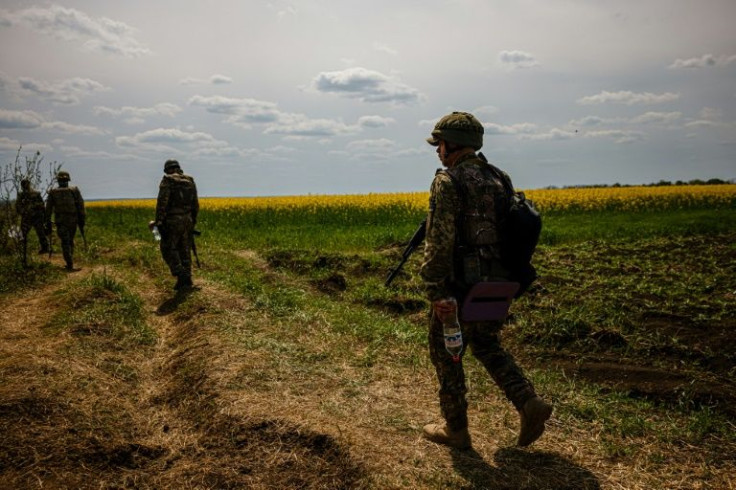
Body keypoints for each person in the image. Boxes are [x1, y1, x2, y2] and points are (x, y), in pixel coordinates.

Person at [419, 112, 552, 449]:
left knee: (447, 353)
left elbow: (439, 240)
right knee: (487, 344)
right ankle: (529, 403)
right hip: (498, 282)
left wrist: (436, 289)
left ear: (452, 145)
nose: (438, 151)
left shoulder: (448, 182)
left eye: (440, 144)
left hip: (459, 289)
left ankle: (456, 430)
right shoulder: (499, 177)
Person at [150, 159, 199, 290]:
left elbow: (162, 203)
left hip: (172, 221)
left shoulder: (168, 180)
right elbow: (195, 204)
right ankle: (187, 281)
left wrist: (159, 222)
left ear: (167, 169)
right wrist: (192, 221)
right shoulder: (190, 180)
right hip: (187, 220)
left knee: (167, 248)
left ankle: (180, 273)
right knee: (185, 250)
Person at [45, 171, 85, 270]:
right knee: (67, 241)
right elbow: (80, 206)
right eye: (61, 180)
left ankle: (69, 263)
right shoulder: (73, 190)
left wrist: (47, 222)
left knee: (67, 241)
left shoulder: (54, 192)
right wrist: (82, 220)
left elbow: (48, 209)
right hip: (68, 221)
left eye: (63, 180)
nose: (63, 182)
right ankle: (70, 264)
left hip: (65, 221)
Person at [16, 178, 49, 256]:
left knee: (39, 232)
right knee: (25, 233)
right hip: (31, 216)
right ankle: (22, 250)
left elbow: (41, 205)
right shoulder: (23, 194)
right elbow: (18, 206)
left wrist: (23, 212)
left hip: (35, 216)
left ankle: (45, 248)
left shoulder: (34, 193)